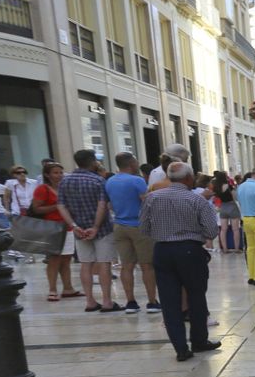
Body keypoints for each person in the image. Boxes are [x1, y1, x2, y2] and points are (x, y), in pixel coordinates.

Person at [140, 161, 220, 361]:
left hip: (163, 250)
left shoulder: (152, 198)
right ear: (188, 178)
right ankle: (199, 340)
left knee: (169, 300)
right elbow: (211, 231)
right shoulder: (196, 200)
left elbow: (143, 228)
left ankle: (180, 347)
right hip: (190, 250)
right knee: (196, 296)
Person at [57, 149, 119, 313]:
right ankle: (107, 301)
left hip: (79, 229)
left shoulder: (65, 181)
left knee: (86, 263)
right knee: (104, 263)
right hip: (102, 228)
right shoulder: (98, 181)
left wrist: (74, 225)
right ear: (92, 161)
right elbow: (102, 205)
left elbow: (61, 205)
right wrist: (96, 226)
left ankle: (90, 301)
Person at [105, 153, 160, 313]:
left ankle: (130, 302)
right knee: (147, 265)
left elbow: (110, 204)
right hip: (139, 225)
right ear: (131, 163)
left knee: (126, 266)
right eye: (136, 161)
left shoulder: (110, 181)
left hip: (119, 225)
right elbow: (146, 200)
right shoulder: (137, 180)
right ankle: (152, 302)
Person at [30, 162, 78, 301]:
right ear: (47, 175)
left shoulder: (65, 188)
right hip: (52, 227)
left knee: (66, 258)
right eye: (55, 173)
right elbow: (37, 208)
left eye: (60, 172)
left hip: (67, 226)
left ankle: (68, 288)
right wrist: (58, 206)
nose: (59, 175)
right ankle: (52, 289)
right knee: (54, 259)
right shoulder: (42, 189)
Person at [211, 171, 241, 252]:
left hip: (223, 207)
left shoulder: (216, 187)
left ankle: (225, 248)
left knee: (223, 230)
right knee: (235, 229)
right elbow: (235, 197)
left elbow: (214, 198)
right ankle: (237, 248)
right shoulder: (229, 186)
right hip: (232, 207)